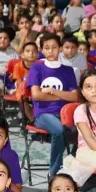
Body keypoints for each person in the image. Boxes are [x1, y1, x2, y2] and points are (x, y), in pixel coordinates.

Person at [27, 34, 79, 177]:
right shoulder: (37, 67)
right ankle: (54, 171)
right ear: (42, 50)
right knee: (58, 130)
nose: (50, 51)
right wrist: (63, 94)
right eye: (47, 48)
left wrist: (52, 92)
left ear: (60, 49)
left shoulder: (68, 70)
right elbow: (36, 95)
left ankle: (73, 163)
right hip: (43, 114)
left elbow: (75, 96)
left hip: (64, 113)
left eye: (54, 47)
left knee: (81, 130)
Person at [14, 42, 38, 124]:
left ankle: (37, 117)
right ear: (22, 54)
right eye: (27, 51)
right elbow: (20, 83)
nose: (31, 53)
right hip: (23, 88)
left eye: (34, 51)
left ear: (37, 54)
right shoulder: (18, 66)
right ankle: (32, 120)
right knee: (23, 99)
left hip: (36, 89)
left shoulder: (40, 65)